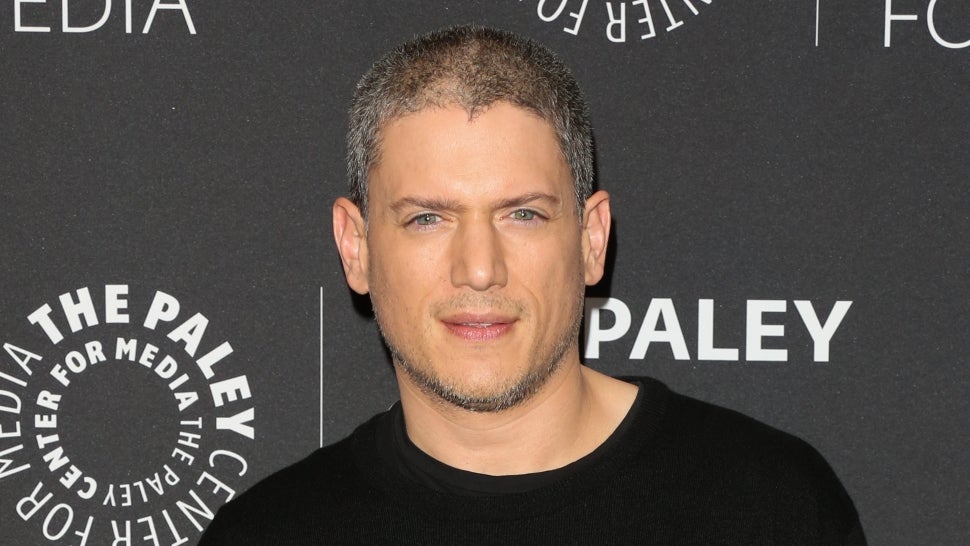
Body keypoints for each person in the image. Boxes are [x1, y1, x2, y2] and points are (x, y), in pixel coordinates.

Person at [199, 25, 865, 545]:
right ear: (357, 248)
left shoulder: (770, 507)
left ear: (591, 239)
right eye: (428, 219)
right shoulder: (266, 535)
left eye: (523, 214)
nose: (479, 268)